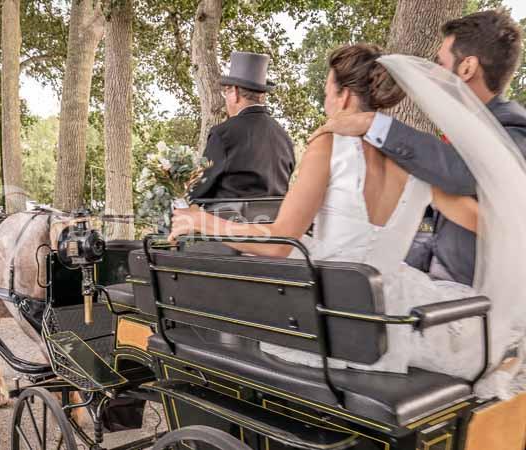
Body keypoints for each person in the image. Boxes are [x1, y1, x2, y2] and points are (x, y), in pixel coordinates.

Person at [170, 44, 489, 383]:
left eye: (326, 93)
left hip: (333, 314)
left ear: (345, 97)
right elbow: (482, 222)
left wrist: (203, 221)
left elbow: (279, 243)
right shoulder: (415, 158)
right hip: (394, 310)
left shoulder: (328, 145)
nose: (325, 103)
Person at [309, 10, 526, 286]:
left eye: (440, 64)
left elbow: (462, 174)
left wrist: (374, 124)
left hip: (477, 295)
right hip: (434, 279)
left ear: (467, 68)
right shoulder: (466, 131)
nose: (432, 75)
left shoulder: (515, 130)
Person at [189, 52, 296, 218]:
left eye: (227, 92)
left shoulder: (223, 133)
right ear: (261, 95)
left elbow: (199, 188)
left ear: (236, 92)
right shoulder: (284, 137)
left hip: (229, 231)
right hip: (272, 229)